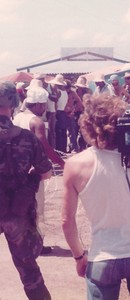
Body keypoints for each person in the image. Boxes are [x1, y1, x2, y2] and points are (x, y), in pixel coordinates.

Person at [62, 94, 130, 300]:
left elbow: (66, 220)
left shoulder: (75, 165)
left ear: (88, 125)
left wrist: (79, 256)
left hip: (103, 256)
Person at [0, 81, 52, 299]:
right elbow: (46, 171)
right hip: (18, 213)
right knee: (29, 272)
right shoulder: (26, 137)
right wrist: (28, 180)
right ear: (14, 102)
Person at [13, 86, 65, 254]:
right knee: (35, 208)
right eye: (43, 105)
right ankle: (36, 245)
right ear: (39, 104)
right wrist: (62, 163)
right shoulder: (37, 122)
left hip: (17, 170)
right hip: (33, 171)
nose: (44, 108)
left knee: (22, 207)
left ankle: (21, 241)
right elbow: (44, 148)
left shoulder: (17, 117)